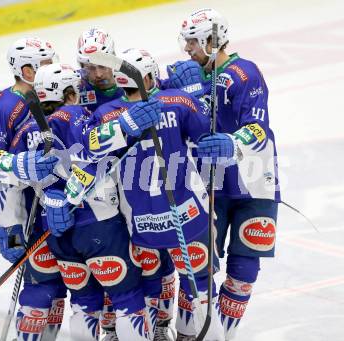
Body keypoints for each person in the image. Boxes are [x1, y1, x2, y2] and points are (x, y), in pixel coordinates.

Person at [67, 48, 228, 340]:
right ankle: (190, 333)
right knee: (202, 288)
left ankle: (157, 332)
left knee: (151, 282)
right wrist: (198, 92)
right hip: (187, 216)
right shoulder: (179, 101)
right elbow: (206, 139)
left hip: (141, 222)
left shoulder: (106, 114)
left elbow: (89, 151)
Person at [12, 62, 158, 341]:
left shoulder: (27, 130)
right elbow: (93, 153)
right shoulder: (75, 115)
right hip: (98, 225)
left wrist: (53, 201)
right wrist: (127, 125)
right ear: (69, 93)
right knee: (128, 301)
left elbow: (15, 177)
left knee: (83, 305)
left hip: (57, 234)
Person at [168, 8, 280, 340]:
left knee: (244, 271)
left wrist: (232, 142)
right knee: (198, 266)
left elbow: (258, 129)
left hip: (255, 182)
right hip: (207, 183)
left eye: (192, 42)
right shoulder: (186, 76)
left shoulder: (245, 74)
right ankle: (190, 334)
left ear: (211, 40)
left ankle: (222, 337)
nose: (187, 49)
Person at [76, 27, 177, 340]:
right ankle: (115, 325)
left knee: (155, 255)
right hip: (103, 186)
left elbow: (161, 88)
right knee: (115, 260)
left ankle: (160, 323)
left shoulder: (129, 76)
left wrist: (185, 81)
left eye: (100, 65)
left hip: (141, 180)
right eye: (88, 67)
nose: (95, 73)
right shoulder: (76, 89)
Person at [0, 37, 65, 340]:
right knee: (41, 286)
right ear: (25, 70)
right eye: (44, 63)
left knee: (61, 287)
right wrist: (21, 166)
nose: (52, 68)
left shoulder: (55, 92)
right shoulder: (6, 104)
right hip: (26, 207)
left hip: (60, 203)